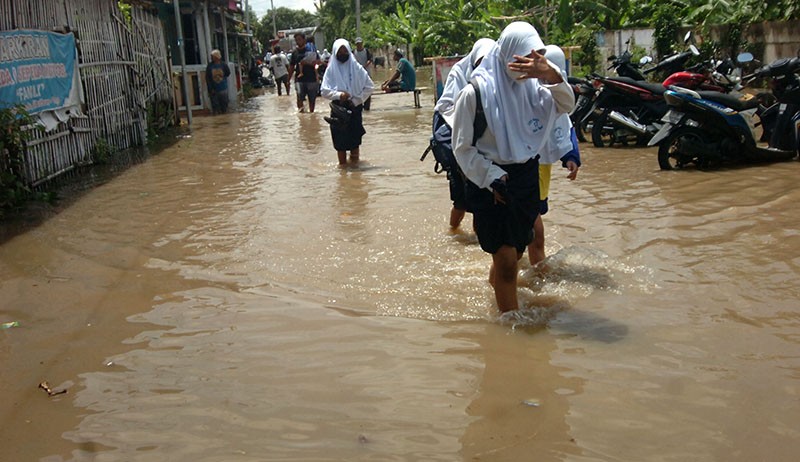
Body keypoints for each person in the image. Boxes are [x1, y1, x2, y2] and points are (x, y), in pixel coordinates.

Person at [451, 22, 575, 312]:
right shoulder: (475, 93)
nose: (527, 65)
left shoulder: (537, 89)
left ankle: (495, 289)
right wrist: (493, 177)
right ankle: (511, 329)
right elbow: (462, 148)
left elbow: (567, 105)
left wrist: (552, 75)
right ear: (505, 54)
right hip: (490, 180)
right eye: (521, 58)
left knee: (515, 252)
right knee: (507, 262)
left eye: (534, 57)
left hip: (525, 178)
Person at [433, 38, 495, 228]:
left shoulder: (498, 75)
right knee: (460, 203)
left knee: (483, 205)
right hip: (459, 146)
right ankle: (453, 234)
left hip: (487, 151)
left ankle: (478, 243)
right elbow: (446, 108)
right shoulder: (459, 73)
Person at [528, 44, 581, 267]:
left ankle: (533, 267)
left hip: (542, 166)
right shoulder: (529, 92)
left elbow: (565, 128)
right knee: (533, 222)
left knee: (534, 214)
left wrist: (571, 157)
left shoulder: (559, 93)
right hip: (525, 163)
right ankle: (537, 268)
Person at [321, 39, 374, 167]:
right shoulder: (331, 70)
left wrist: (356, 100)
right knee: (340, 144)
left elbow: (369, 86)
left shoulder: (357, 68)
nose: (343, 53)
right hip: (338, 109)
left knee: (355, 141)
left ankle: (355, 168)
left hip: (355, 108)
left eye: (345, 51)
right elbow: (324, 90)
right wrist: (339, 95)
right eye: (340, 51)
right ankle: (343, 170)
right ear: (335, 52)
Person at [288, 32, 321, 112]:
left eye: (299, 39)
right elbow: (292, 67)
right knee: (299, 97)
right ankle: (301, 116)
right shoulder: (294, 52)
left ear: (304, 40)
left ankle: (311, 115)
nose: (297, 42)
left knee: (312, 100)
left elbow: (318, 62)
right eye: (296, 40)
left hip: (311, 78)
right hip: (299, 79)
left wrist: (315, 68)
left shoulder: (312, 50)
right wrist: (288, 80)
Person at [206, 49, 231, 114]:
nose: (211, 58)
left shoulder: (223, 65)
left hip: (223, 89)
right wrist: (210, 89)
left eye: (213, 56)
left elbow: (228, 73)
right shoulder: (210, 66)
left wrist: (222, 77)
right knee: (215, 108)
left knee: (224, 107)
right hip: (214, 90)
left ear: (216, 57)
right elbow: (208, 78)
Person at [352, 37, 373, 110]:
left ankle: (367, 107)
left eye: (360, 44)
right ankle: (359, 105)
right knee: (358, 90)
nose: (359, 45)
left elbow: (370, 59)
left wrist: (364, 66)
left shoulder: (366, 51)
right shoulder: (353, 52)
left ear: (362, 44)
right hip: (357, 75)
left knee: (367, 89)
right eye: (357, 44)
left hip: (366, 73)